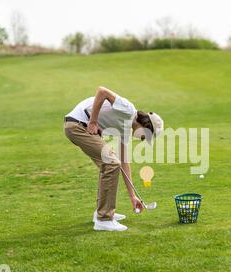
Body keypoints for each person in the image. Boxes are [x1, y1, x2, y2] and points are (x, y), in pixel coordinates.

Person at [64, 86, 164, 231]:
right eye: (146, 136)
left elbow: (124, 162)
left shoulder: (126, 130)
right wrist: (93, 122)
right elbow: (101, 91)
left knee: (111, 164)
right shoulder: (128, 110)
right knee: (111, 163)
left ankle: (101, 212)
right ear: (146, 125)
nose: (143, 139)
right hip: (77, 125)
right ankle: (103, 219)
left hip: (81, 126)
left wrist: (132, 196)